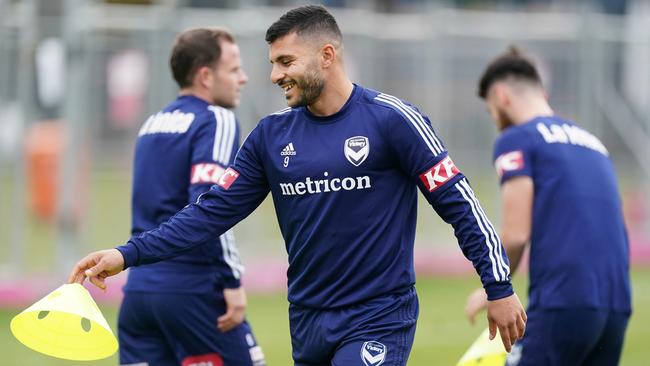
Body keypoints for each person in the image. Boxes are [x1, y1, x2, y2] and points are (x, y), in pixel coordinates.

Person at [69, 6, 526, 365]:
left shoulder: (392, 120)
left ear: (327, 55)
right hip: (307, 320)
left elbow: (460, 203)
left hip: (377, 317)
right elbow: (208, 213)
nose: (273, 75)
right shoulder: (270, 137)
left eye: (286, 61)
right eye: (272, 63)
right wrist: (126, 254)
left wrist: (498, 286)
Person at [465, 47, 632, 365]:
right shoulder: (594, 143)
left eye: (491, 112)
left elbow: (515, 235)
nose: (496, 122)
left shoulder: (517, 139)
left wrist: (493, 289)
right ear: (541, 90)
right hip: (616, 306)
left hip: (564, 302)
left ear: (501, 96)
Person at [116, 27, 265, 366]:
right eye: (233, 69)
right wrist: (231, 280)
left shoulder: (152, 123)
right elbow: (213, 210)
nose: (243, 78)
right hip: (192, 291)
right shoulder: (216, 119)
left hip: (138, 294)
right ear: (205, 76)